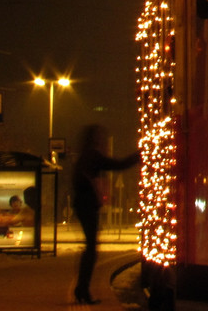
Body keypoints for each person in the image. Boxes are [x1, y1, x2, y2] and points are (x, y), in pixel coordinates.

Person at [71, 124, 140, 305]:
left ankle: (82, 289)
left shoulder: (85, 156)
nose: (102, 139)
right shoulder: (93, 155)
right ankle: (82, 289)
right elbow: (117, 165)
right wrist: (140, 155)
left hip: (83, 205)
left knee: (91, 248)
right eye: (99, 136)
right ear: (95, 138)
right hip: (87, 206)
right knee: (92, 250)